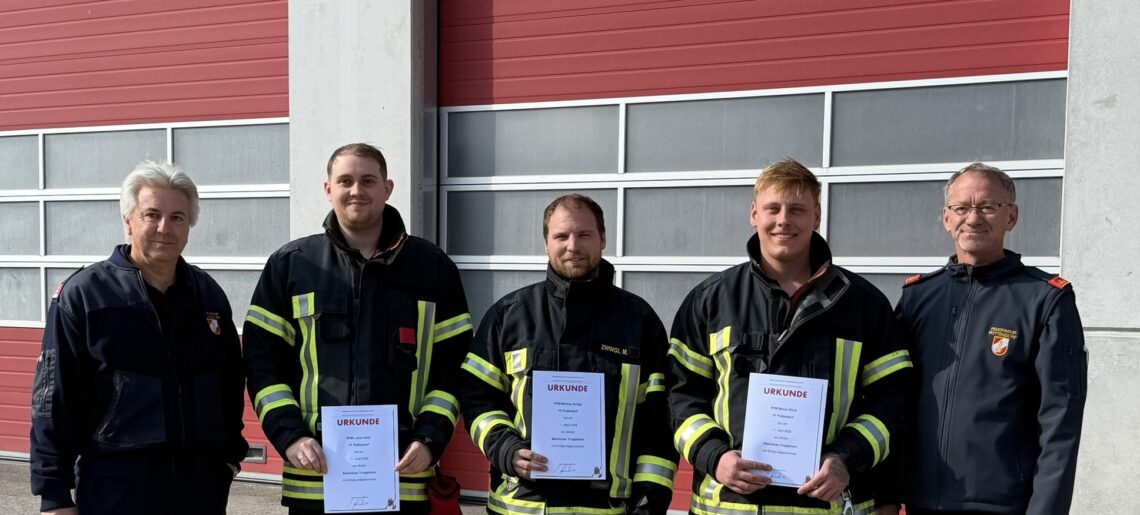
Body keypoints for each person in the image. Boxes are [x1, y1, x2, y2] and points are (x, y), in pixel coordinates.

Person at [667, 159, 913, 515]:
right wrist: (715, 456)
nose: (783, 220)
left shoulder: (863, 304)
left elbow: (893, 400)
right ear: (754, 214)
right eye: (773, 209)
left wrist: (846, 458)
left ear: (817, 216)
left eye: (797, 210)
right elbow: (680, 395)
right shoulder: (710, 301)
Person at [243, 143, 472, 514]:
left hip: (404, 477)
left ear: (387, 188)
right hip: (315, 479)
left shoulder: (433, 268)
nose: (356, 190)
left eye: (368, 180)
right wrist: (291, 436)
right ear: (328, 189)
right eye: (345, 181)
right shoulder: (291, 266)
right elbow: (262, 366)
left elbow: (454, 368)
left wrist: (429, 439)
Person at [29, 161, 248, 515]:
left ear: (189, 227)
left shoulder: (208, 296)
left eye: (177, 217)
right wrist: (54, 496)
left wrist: (228, 461)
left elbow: (229, 386)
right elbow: (53, 400)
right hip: (116, 492)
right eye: (152, 215)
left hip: (201, 491)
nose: (165, 228)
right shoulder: (85, 296)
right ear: (128, 221)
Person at [460, 194, 677, 514]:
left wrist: (649, 503)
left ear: (603, 239)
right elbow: (477, 397)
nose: (572, 246)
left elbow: (659, 422)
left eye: (584, 234)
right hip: (521, 506)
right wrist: (505, 448)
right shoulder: (509, 316)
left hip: (608, 509)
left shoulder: (639, 321)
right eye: (561, 236)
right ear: (546, 243)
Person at [895, 163, 1086, 515]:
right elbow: (892, 401)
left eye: (987, 206)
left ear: (1011, 216)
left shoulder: (1045, 301)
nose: (973, 218)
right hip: (917, 500)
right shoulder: (917, 298)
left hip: (1001, 505)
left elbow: (1061, 424)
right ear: (946, 218)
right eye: (961, 208)